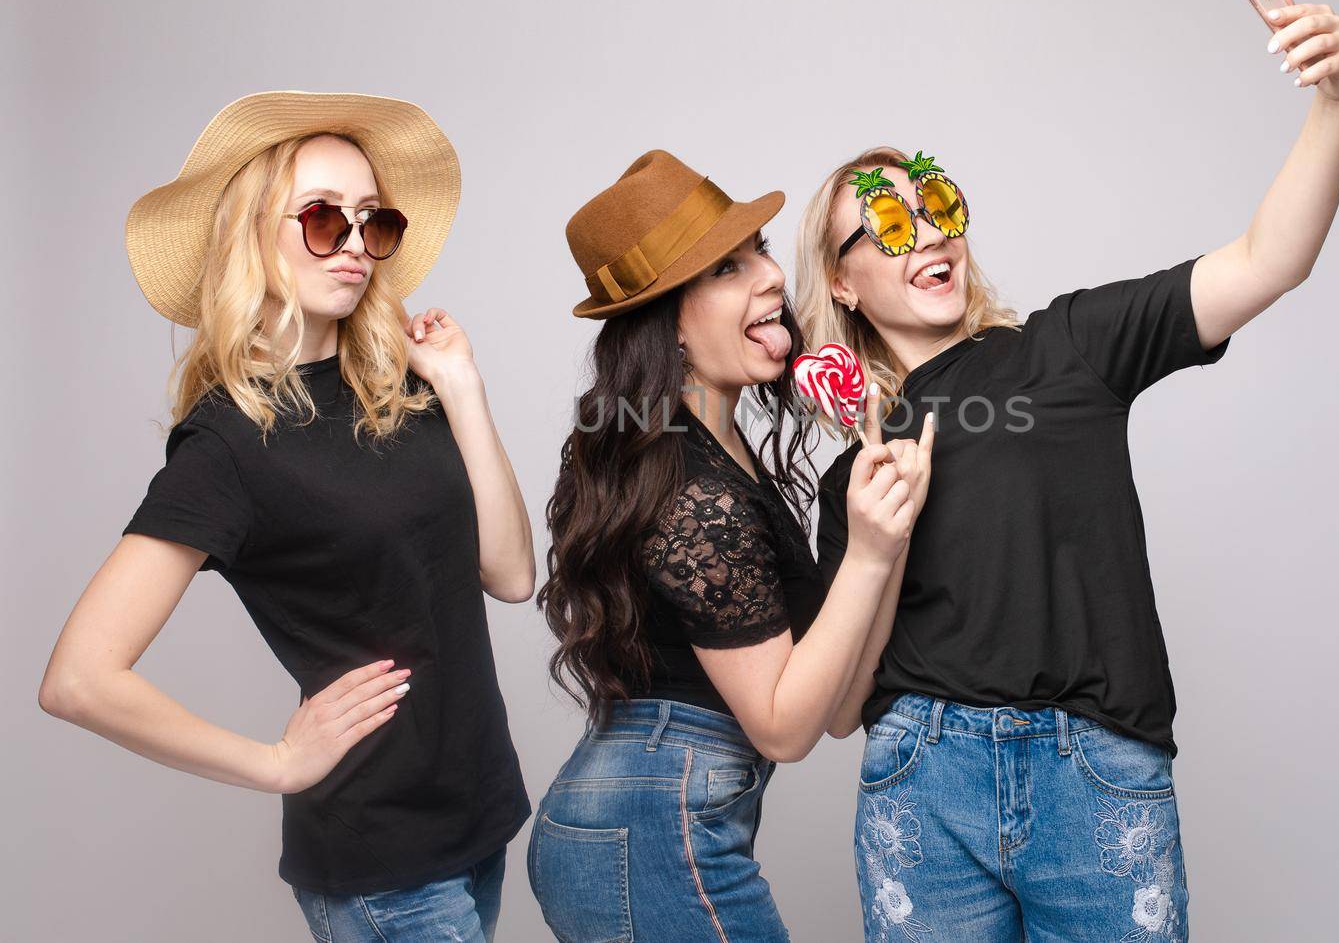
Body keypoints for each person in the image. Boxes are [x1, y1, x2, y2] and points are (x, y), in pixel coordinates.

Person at [793, 0, 1339, 941]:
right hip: (922, 782)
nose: (930, 232)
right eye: (889, 223)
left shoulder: (1069, 346)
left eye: (938, 204)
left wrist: (1337, 99)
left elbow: (1271, 259)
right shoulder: (853, 478)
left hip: (1092, 776)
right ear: (844, 282)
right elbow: (845, 710)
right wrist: (874, 543)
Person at [38, 92, 534, 942]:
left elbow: (512, 574)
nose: (353, 245)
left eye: (371, 222)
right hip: (382, 866)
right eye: (320, 218)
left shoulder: (400, 387)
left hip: (476, 823)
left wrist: (462, 391)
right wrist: (275, 762)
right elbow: (79, 679)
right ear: (251, 233)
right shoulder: (228, 441)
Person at [530, 149, 934, 941]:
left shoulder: (722, 457)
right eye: (725, 267)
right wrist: (871, 557)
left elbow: (839, 708)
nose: (772, 277)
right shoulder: (690, 489)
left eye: (761, 250)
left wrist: (888, 540)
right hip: (648, 824)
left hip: (657, 818)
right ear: (668, 325)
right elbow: (782, 727)